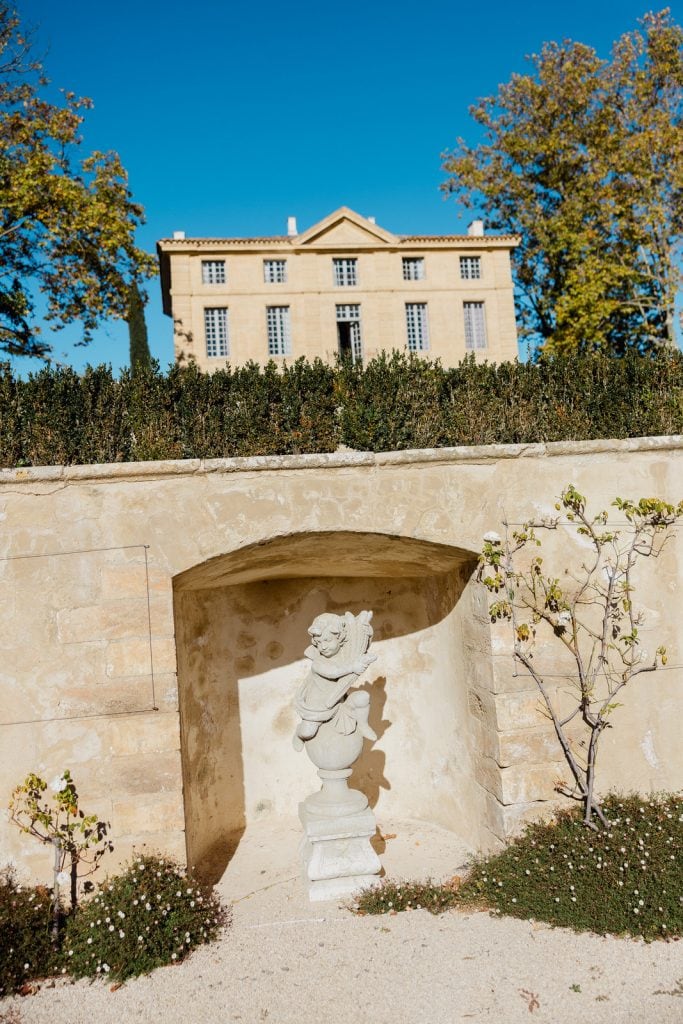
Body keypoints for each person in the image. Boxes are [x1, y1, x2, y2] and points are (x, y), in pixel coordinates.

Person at [292, 612, 377, 751]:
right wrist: (353, 667)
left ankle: (363, 724)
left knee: (363, 698)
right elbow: (333, 672)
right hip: (320, 706)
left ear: (340, 638)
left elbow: (361, 648)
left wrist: (367, 632)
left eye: (327, 641)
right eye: (319, 643)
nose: (323, 647)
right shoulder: (318, 662)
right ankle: (298, 733)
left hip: (339, 700)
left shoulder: (345, 655)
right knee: (308, 732)